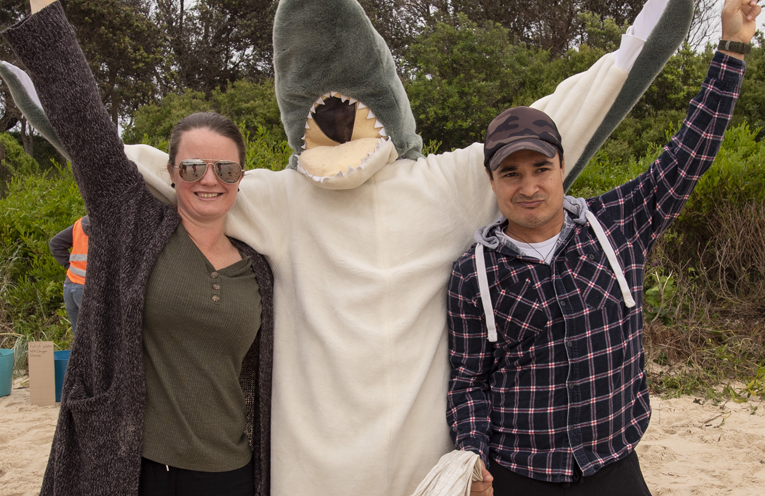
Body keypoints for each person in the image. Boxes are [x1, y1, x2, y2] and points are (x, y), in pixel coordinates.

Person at [446, 1, 760, 495]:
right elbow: (469, 381)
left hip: (613, 462)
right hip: (519, 471)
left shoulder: (617, 222)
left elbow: (691, 151)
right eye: (511, 173)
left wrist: (733, 46)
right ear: (492, 180)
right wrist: (473, 456)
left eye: (540, 169)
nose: (528, 187)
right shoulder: (474, 272)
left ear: (562, 165)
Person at [3, 2, 274, 495]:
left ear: (241, 177)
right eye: (192, 167)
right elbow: (83, 120)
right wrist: (43, 12)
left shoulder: (261, 267)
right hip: (135, 469)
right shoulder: (133, 224)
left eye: (225, 169)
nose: (209, 180)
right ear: (171, 173)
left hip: (232, 474)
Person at [49, 215, 89, 334]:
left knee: (80, 336)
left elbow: (55, 244)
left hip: (70, 285)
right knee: (97, 336)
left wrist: (71, 266)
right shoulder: (109, 226)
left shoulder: (80, 223)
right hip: (88, 289)